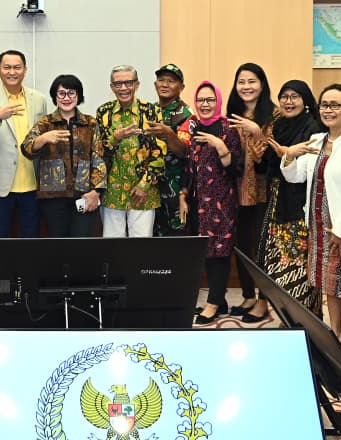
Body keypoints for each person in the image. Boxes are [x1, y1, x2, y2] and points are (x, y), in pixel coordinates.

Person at [279, 83, 341, 357]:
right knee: (329, 283)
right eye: (324, 105)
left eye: (335, 105)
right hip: (318, 225)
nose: (328, 110)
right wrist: (290, 156)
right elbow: (295, 177)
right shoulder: (317, 140)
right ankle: (335, 333)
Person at [177, 82, 242, 324]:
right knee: (205, 250)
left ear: (218, 102)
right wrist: (183, 195)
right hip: (197, 202)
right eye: (201, 100)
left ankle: (213, 302)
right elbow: (189, 167)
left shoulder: (227, 129)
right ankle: (220, 300)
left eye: (210, 100)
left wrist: (220, 146)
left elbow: (237, 168)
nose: (205, 104)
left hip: (221, 202)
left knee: (219, 252)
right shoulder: (194, 128)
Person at [259, 80, 323, 315]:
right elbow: (269, 162)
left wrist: (288, 155)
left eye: (294, 96)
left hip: (299, 205)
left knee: (299, 264)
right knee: (278, 265)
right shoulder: (278, 125)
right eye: (284, 96)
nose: (288, 101)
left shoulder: (314, 127)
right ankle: (287, 317)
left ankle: (306, 318)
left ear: (305, 100)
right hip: (277, 202)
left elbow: (309, 171)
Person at [0, 50, 49, 237]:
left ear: (25, 70)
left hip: (32, 182)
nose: (12, 72)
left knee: (31, 237)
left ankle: (29, 268)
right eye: (7, 67)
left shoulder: (38, 99)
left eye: (17, 67)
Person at [21, 74, 106, 238]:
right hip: (53, 199)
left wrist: (96, 191)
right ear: (55, 96)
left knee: (81, 242)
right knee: (58, 244)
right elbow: (26, 149)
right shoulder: (45, 123)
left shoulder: (90, 123)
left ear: (79, 96)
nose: (66, 98)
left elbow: (99, 158)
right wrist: (43, 139)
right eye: (61, 93)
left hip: (84, 196)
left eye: (71, 93)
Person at [226, 62, 277, 322]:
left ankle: (264, 300)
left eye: (252, 81)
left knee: (262, 248)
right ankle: (247, 295)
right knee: (242, 245)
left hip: (263, 192)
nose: (246, 87)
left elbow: (275, 157)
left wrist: (258, 134)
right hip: (234, 191)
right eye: (241, 82)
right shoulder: (232, 114)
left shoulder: (274, 115)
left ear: (262, 84)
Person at [95, 65, 165, 238]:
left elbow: (160, 152)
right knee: (112, 249)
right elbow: (97, 153)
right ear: (112, 87)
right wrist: (114, 139)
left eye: (128, 82)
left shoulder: (151, 111)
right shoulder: (104, 112)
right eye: (118, 84)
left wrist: (144, 184)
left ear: (137, 84)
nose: (124, 88)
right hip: (112, 192)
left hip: (143, 192)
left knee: (141, 249)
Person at [146, 64, 192, 236]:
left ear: (181, 87)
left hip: (176, 189)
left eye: (171, 81)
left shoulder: (187, 114)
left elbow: (184, 152)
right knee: (149, 239)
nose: (164, 84)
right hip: (150, 188)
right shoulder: (148, 110)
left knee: (175, 242)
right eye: (161, 80)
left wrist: (169, 135)